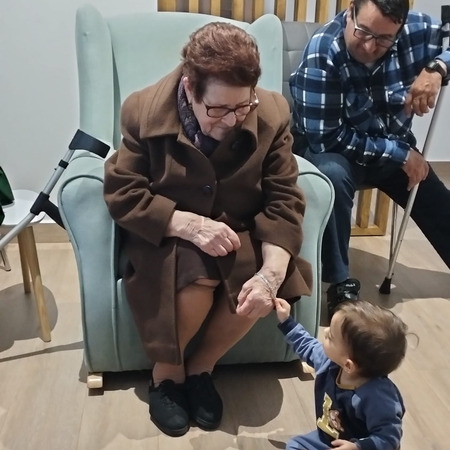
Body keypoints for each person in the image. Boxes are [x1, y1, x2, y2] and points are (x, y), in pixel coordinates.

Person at [103, 22, 313, 437]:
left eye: (243, 105)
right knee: (198, 273)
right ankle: (167, 374)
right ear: (189, 88)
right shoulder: (142, 111)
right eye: (217, 109)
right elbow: (123, 192)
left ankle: (202, 368)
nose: (232, 120)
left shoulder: (272, 113)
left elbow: (284, 199)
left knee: (254, 285)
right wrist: (187, 224)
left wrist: (271, 273)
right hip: (166, 232)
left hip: (241, 231)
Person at [290, 0, 450, 318]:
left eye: (384, 38)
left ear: (400, 28)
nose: (369, 45)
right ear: (350, 11)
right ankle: (339, 284)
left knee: (435, 200)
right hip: (332, 150)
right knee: (333, 176)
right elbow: (328, 138)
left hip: (390, 147)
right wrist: (400, 154)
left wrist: (438, 68)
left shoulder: (417, 30)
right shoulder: (324, 52)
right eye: (363, 31)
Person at [275, 297, 407, 450]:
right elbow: (307, 346)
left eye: (331, 337)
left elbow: (389, 438)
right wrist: (286, 320)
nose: (325, 331)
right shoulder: (329, 363)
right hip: (328, 438)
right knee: (295, 445)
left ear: (348, 365)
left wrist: (357, 447)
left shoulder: (379, 398)